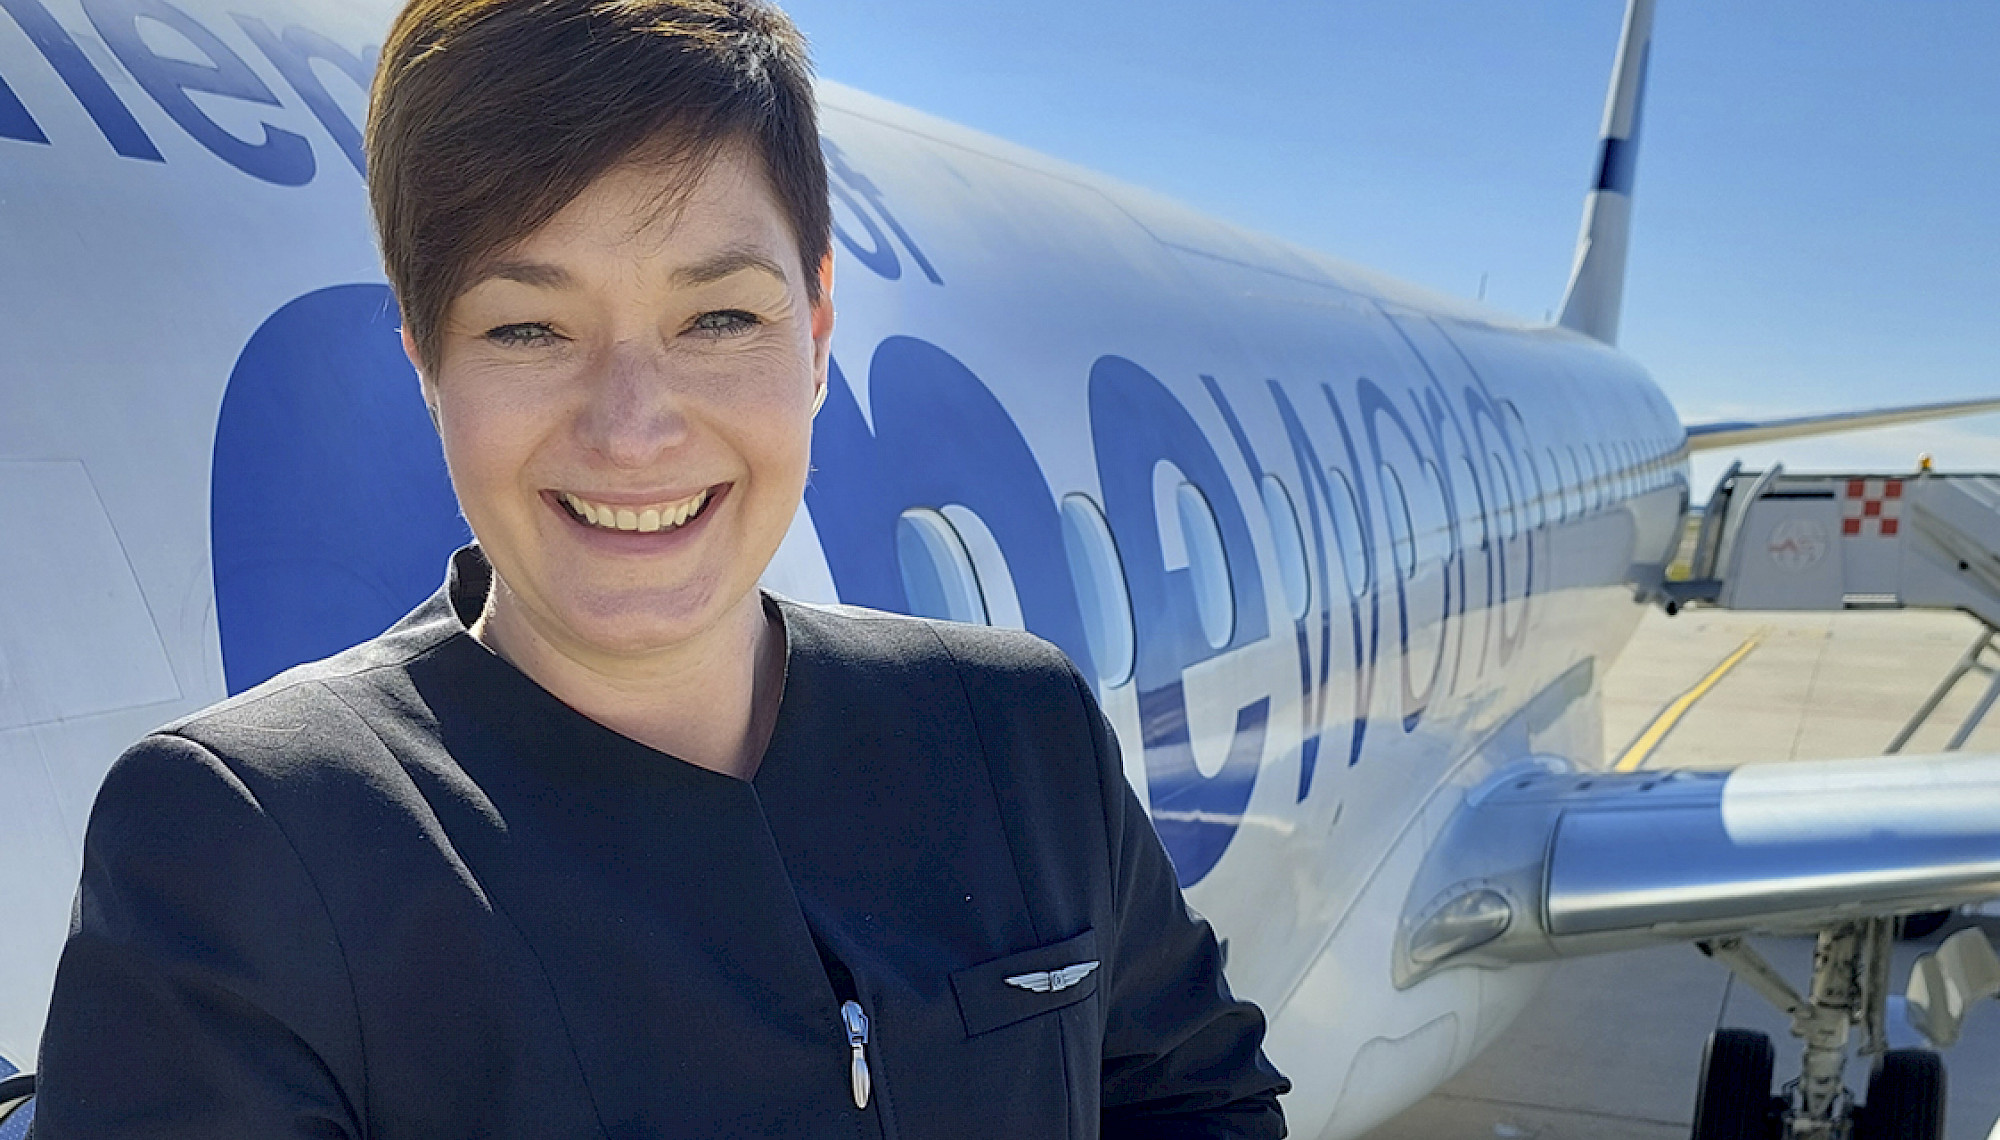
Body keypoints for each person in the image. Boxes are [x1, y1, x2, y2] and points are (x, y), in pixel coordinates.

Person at [31, 0, 1290, 1135]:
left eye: (718, 317)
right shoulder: (244, 849)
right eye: (529, 327)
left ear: (816, 334)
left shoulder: (1020, 733)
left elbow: (1196, 1098)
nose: (632, 430)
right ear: (427, 365)